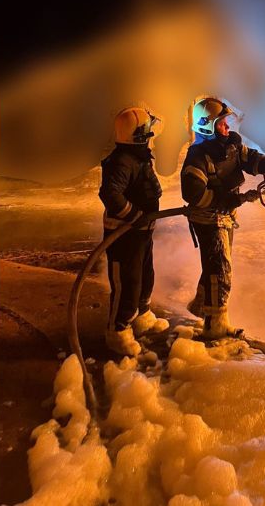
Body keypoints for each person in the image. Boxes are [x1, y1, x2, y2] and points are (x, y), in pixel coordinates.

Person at [180, 97, 265, 340]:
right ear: (207, 127)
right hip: (208, 218)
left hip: (225, 215)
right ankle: (215, 324)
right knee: (220, 268)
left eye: (226, 122)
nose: (227, 128)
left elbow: (251, 158)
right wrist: (224, 202)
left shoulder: (230, 147)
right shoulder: (198, 156)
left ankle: (201, 306)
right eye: (222, 124)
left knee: (214, 265)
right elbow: (193, 194)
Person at [99, 106, 171, 356]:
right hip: (124, 235)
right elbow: (110, 194)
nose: (151, 131)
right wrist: (134, 216)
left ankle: (141, 314)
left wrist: (143, 220)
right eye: (147, 128)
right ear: (138, 134)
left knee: (144, 276)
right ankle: (117, 331)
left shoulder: (137, 155)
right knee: (126, 283)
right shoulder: (122, 161)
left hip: (140, 232)